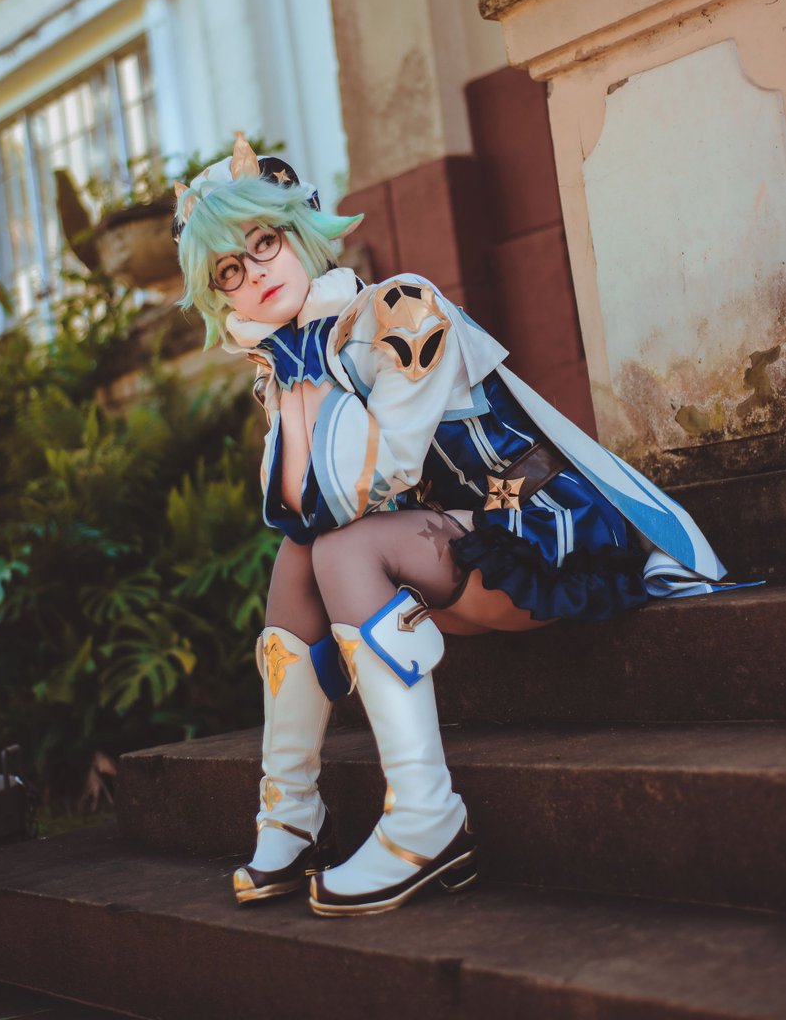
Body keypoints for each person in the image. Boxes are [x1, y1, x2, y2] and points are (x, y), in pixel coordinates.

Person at [175, 135, 732, 918]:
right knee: (300, 554)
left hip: (535, 529)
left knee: (339, 545)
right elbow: (295, 508)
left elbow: (371, 480)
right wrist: (288, 374)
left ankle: (425, 817)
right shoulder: (290, 361)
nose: (255, 272)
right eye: (228, 271)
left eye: (263, 242)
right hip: (440, 542)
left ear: (299, 232)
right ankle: (290, 813)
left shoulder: (400, 309)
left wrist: (301, 381)